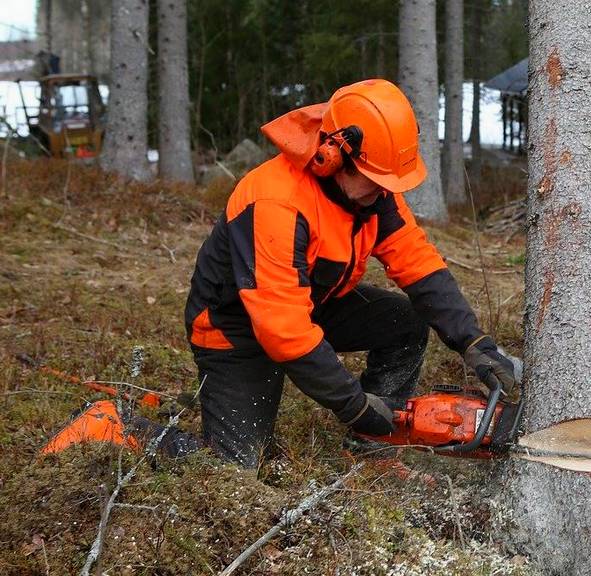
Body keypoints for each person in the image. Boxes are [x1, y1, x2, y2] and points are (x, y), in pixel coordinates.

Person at [46, 79, 517, 468]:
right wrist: (351, 404)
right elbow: (283, 330)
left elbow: (418, 263)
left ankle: (373, 443)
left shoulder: (373, 196)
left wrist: (473, 342)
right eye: (375, 181)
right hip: (236, 329)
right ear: (334, 155)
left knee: (405, 320)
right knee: (231, 468)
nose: (383, 192)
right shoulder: (277, 202)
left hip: (309, 304)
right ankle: (110, 423)